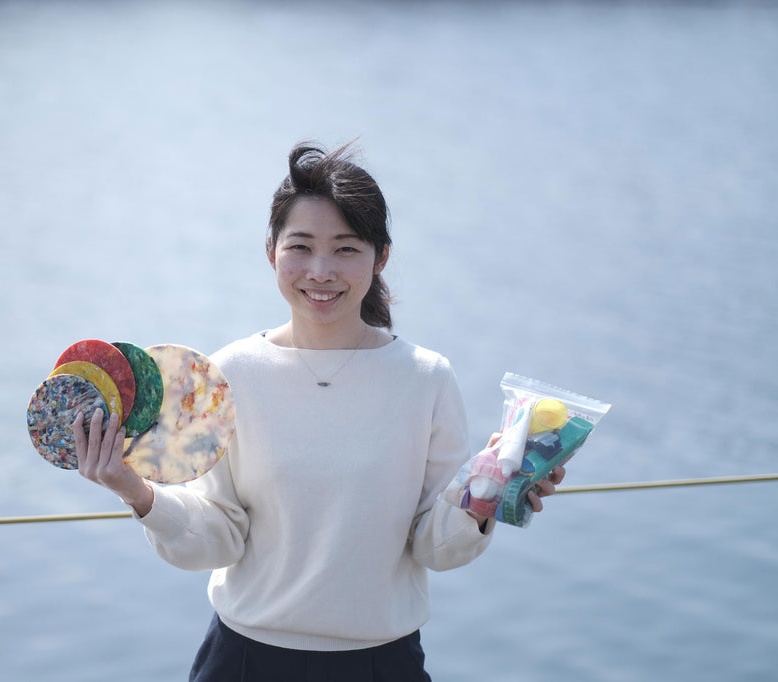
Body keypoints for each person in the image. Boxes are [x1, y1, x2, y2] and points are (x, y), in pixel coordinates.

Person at [72, 142, 565, 681]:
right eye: (300, 246)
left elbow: (434, 545)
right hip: (244, 659)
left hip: (383, 662)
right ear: (271, 253)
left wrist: (487, 493)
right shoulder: (228, 374)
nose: (321, 270)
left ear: (380, 258)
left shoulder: (425, 378)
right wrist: (134, 490)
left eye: (346, 249)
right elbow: (216, 537)